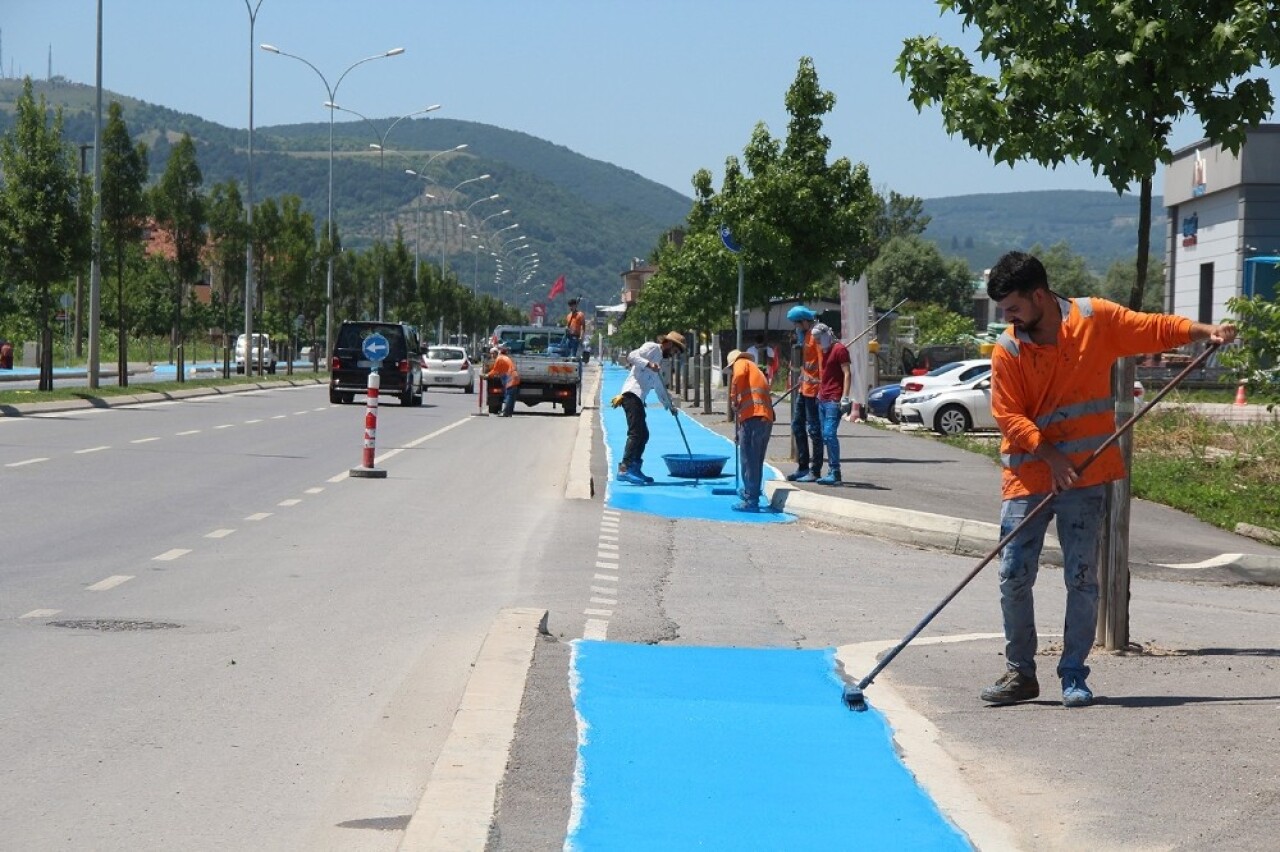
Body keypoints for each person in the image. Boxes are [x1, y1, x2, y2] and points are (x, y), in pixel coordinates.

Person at [981, 250, 1237, 709]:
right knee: (1013, 575)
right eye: (1005, 311)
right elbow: (1008, 416)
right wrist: (1051, 457)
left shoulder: (1094, 320)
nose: (1009, 318)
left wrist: (1205, 332)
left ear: (1039, 295)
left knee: (1082, 578)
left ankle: (1074, 674)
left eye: (1014, 307)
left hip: (1086, 477)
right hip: (1029, 477)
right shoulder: (1010, 349)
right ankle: (1021, 673)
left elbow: (1151, 327)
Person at [615, 331, 686, 485]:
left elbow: (659, 386)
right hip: (631, 394)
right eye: (674, 351)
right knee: (636, 432)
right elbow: (632, 356)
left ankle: (634, 467)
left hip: (639, 398)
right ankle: (624, 468)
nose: (673, 355)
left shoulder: (660, 360)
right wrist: (648, 364)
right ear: (669, 343)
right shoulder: (652, 347)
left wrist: (669, 404)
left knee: (644, 434)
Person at [724, 349, 775, 512]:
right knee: (756, 459)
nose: (732, 373)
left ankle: (750, 498)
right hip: (762, 419)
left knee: (749, 459)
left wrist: (733, 397)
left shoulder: (741, 364)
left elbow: (737, 377)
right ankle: (752, 492)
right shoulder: (755, 370)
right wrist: (739, 431)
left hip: (754, 418)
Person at [785, 305, 823, 482]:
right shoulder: (806, 335)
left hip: (814, 390)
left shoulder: (816, 336)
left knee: (814, 430)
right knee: (797, 426)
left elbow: (821, 364)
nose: (796, 327)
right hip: (804, 388)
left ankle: (815, 470)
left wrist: (821, 387)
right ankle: (802, 466)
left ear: (805, 321)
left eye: (797, 323)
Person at [812, 323, 852, 485]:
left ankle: (835, 471)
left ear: (825, 335)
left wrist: (845, 397)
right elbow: (828, 375)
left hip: (834, 399)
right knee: (824, 436)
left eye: (818, 339)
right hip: (823, 398)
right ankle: (831, 470)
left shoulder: (840, 350)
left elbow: (847, 374)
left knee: (829, 434)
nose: (817, 342)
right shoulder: (825, 351)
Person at [485, 343, 521, 417]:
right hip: (514, 376)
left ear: (495, 353)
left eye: (492, 354)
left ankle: (506, 412)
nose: (491, 356)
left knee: (509, 395)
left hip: (511, 377)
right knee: (512, 396)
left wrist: (487, 375)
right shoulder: (504, 357)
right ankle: (509, 412)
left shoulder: (499, 359)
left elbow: (495, 370)